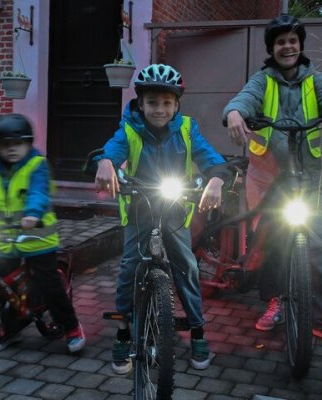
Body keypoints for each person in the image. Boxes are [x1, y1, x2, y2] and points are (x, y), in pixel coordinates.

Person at [222, 15, 322, 346]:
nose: (288, 46)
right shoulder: (262, 80)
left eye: (293, 41)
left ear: (300, 46)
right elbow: (240, 101)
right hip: (266, 179)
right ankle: (275, 302)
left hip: (305, 178)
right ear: (272, 48)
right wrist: (235, 114)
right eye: (281, 41)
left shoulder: (314, 79)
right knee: (270, 242)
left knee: (312, 245)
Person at [93, 64, 230, 373]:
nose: (160, 109)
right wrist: (105, 163)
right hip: (140, 208)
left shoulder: (187, 128)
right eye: (152, 102)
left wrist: (217, 180)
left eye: (167, 102)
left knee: (187, 267)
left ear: (176, 105)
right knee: (130, 267)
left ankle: (197, 330)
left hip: (175, 208)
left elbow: (209, 156)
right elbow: (113, 148)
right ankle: (124, 331)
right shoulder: (129, 128)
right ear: (140, 104)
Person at [0, 113, 86, 353]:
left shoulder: (36, 166)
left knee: (50, 288)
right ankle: (8, 329)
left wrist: (33, 213)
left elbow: (39, 192)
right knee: (0, 287)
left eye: (18, 144)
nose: (12, 150)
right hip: (7, 241)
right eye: (6, 145)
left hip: (37, 238)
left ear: (28, 144)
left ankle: (71, 328)